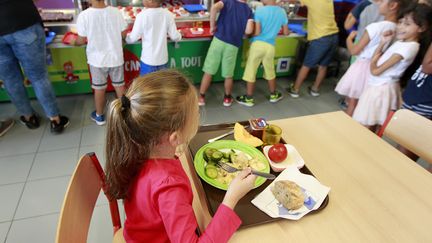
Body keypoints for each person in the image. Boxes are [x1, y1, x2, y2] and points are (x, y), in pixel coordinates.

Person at [105, 70, 257, 242]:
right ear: (174, 138)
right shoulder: (169, 188)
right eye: (195, 113)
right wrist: (231, 198)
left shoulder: (136, 147)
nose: (198, 116)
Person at [353, 5, 429, 132]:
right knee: (368, 126)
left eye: (407, 24)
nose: (400, 27)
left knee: (366, 128)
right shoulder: (402, 43)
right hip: (378, 86)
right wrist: (382, 43)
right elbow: (376, 62)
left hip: (381, 89)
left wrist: (374, 61)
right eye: (400, 22)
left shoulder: (409, 47)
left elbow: (375, 70)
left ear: (422, 28)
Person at [0, 0, 69, 134]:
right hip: (23, 22)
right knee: (38, 77)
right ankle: (55, 120)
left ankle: (29, 118)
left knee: (10, 80)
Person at [335, 0, 407, 116]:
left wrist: (349, 39)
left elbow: (354, 51)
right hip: (378, 69)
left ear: (393, 5)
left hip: (363, 67)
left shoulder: (375, 27)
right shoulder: (398, 29)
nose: (378, 3)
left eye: (382, 1)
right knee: (364, 106)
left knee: (353, 103)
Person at [74, 0, 127, 125]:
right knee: (119, 86)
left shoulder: (84, 15)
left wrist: (74, 42)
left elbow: (81, 40)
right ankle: (126, 115)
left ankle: (99, 116)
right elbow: (123, 34)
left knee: (99, 89)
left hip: (97, 61)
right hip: (115, 58)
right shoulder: (116, 12)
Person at [197, 0, 254, 107]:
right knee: (228, 75)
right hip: (233, 45)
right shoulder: (248, 10)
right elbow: (249, 30)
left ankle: (201, 97)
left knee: (209, 71)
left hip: (218, 40)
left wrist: (212, 26)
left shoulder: (227, 2)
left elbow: (214, 8)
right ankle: (227, 99)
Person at [235, 0, 289, 107]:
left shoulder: (260, 11)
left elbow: (257, 32)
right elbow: (286, 32)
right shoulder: (282, 12)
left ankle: (249, 98)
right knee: (270, 71)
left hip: (257, 46)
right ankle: (273, 95)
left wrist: (248, 35)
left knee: (251, 71)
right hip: (270, 47)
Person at [286, 0, 339, 98]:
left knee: (306, 65)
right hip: (334, 35)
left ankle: (295, 89)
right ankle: (315, 89)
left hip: (320, 37)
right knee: (323, 65)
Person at [399, 36, 432, 167]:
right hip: (420, 97)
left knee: (406, 150)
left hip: (425, 102)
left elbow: (427, 66)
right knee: (406, 149)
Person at [126, 0, 182, 75]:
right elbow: (175, 36)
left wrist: (125, 38)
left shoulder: (142, 16)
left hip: (148, 60)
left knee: (146, 85)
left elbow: (132, 38)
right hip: (163, 59)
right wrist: (180, 35)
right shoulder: (168, 14)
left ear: (150, 1)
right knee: (162, 85)